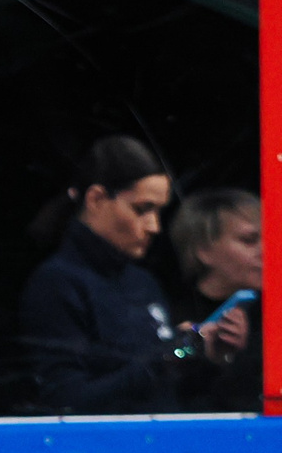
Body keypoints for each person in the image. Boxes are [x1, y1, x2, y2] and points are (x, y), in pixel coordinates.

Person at [19, 137, 245, 415]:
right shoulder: (56, 284)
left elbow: (166, 392)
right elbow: (66, 401)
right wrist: (166, 357)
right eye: (142, 209)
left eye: (158, 211)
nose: (154, 227)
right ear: (97, 199)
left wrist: (205, 355)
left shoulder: (143, 284)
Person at [167, 188, 262, 413]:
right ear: (204, 250)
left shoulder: (272, 317)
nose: (267, 250)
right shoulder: (170, 318)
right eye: (249, 240)